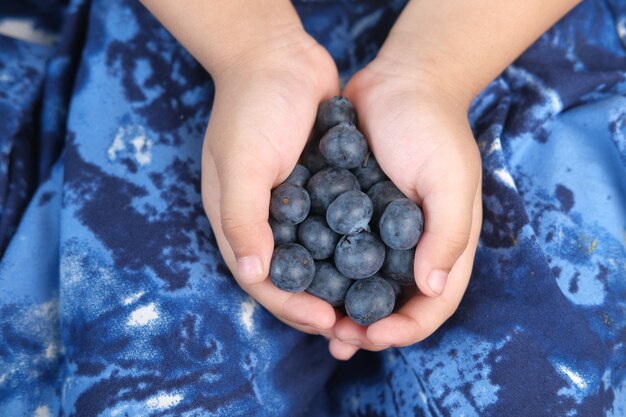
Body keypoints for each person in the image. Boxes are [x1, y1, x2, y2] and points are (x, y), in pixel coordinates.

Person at [0, 0, 625, 416]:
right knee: (137, 372)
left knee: (556, 376)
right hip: (203, 27)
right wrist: (253, 50)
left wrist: (432, 71)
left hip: (494, 30)